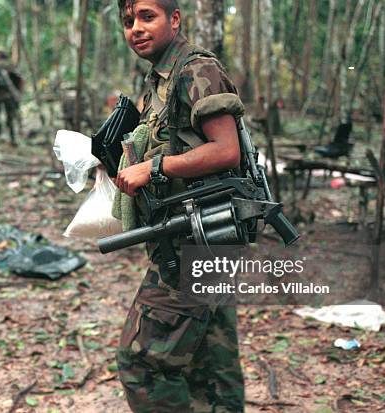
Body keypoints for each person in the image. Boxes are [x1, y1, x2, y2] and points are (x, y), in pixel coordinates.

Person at [113, 1, 245, 412]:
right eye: (128, 21)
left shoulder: (196, 70)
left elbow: (227, 151)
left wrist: (153, 168)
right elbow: (175, 145)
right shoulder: (161, 80)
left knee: (141, 361)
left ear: (174, 19)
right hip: (194, 236)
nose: (135, 28)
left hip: (200, 242)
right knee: (210, 365)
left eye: (147, 17)